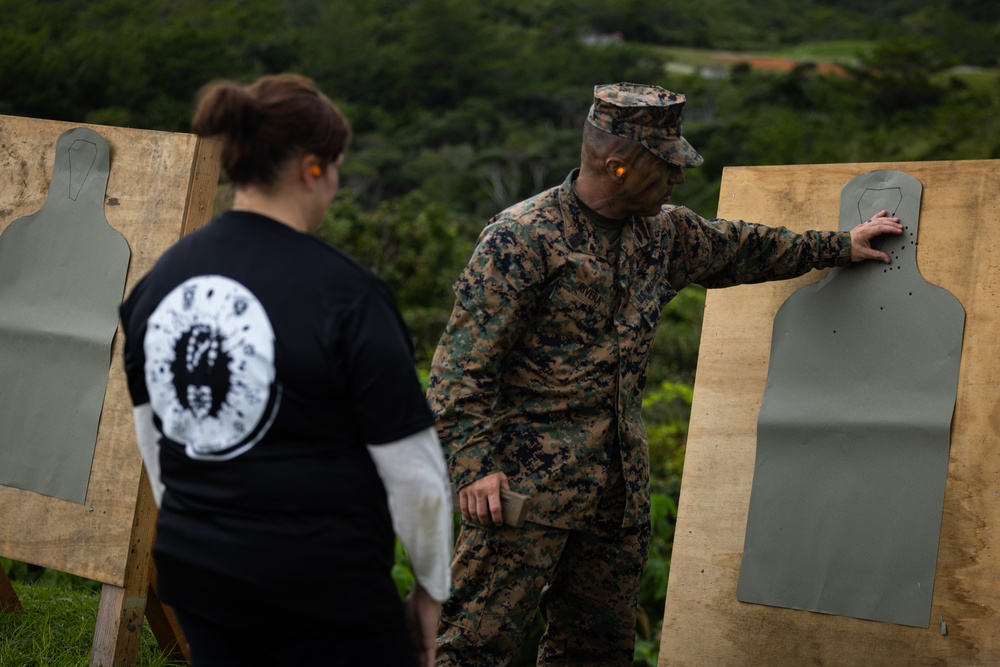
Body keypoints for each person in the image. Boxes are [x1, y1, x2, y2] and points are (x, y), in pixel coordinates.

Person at [426, 82, 902, 666]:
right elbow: (460, 371)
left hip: (616, 496)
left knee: (596, 651)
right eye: (667, 166)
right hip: (522, 494)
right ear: (618, 163)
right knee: (474, 649)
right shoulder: (522, 240)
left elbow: (744, 247)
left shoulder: (664, 234)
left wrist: (839, 246)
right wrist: (475, 470)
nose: (678, 179)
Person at [119, 73, 451, 667]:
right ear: (313, 168)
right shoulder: (348, 295)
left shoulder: (156, 286)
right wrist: (431, 589)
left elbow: (160, 443)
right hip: (324, 591)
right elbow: (416, 478)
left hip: (199, 575)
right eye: (338, 167)